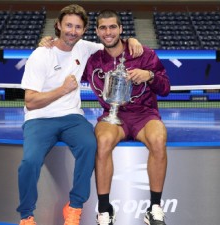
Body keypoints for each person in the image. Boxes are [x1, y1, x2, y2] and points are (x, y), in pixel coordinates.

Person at [17, 4, 143, 225]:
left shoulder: (85, 48)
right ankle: (26, 216)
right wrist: (62, 90)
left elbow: (112, 42)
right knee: (29, 161)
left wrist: (131, 40)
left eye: (77, 27)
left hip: (72, 117)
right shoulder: (40, 55)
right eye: (68, 25)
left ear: (84, 30)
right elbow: (31, 101)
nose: (72, 31)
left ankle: (74, 208)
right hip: (39, 119)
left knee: (89, 146)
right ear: (58, 25)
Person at [82, 10, 170, 225]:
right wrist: (49, 41)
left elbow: (166, 88)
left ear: (121, 29)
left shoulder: (144, 54)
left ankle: (154, 208)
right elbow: (65, 54)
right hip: (112, 118)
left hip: (145, 115)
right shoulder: (92, 60)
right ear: (97, 32)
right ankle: (104, 210)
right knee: (101, 141)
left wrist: (149, 76)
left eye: (113, 27)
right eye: (103, 28)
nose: (108, 32)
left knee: (158, 139)